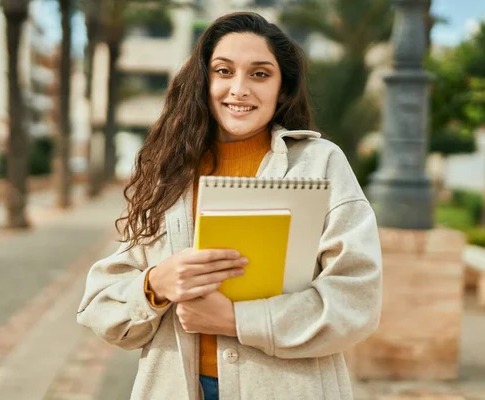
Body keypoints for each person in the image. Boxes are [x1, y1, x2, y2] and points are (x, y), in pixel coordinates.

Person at [77, 11, 382, 400]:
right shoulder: (170, 170)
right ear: (205, 81)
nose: (239, 89)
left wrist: (239, 321)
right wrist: (156, 285)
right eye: (224, 71)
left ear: (283, 88)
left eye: (259, 74)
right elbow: (100, 304)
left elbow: (357, 300)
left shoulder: (320, 163)